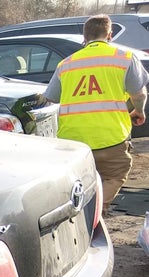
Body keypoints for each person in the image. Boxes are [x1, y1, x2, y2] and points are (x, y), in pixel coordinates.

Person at [43, 14, 149, 213]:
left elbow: (52, 98)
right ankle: (93, 211)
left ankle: (82, 208)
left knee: (77, 180)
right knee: (115, 176)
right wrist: (139, 111)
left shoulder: (66, 64)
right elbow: (139, 93)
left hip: (72, 139)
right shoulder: (124, 58)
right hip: (111, 137)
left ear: (85, 37)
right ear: (110, 35)